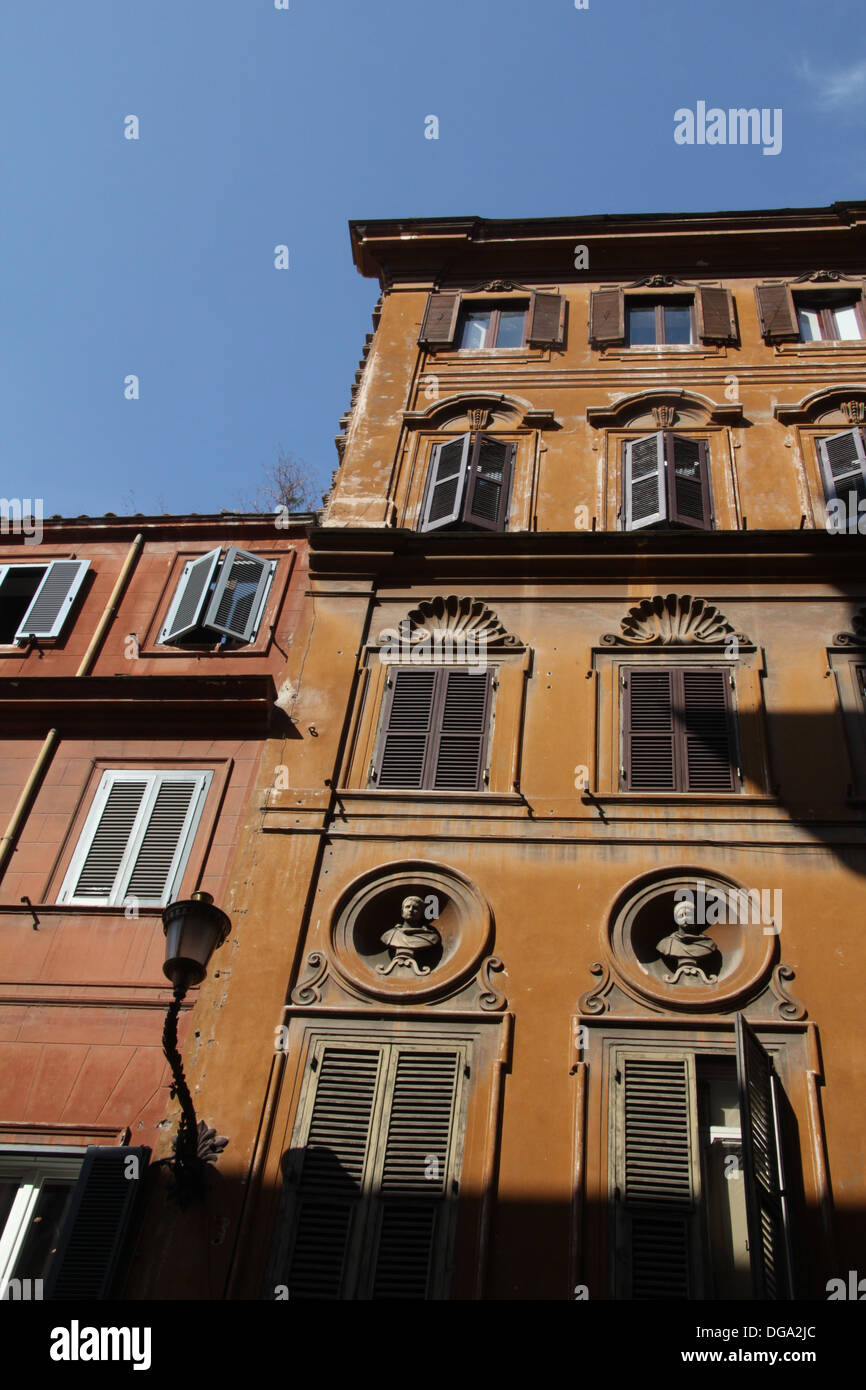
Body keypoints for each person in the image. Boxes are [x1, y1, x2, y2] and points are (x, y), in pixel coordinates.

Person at [378, 895, 441, 976]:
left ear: (421, 914)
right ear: (402, 912)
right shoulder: (389, 935)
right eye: (408, 907)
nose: (411, 910)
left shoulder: (431, 938)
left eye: (415, 908)